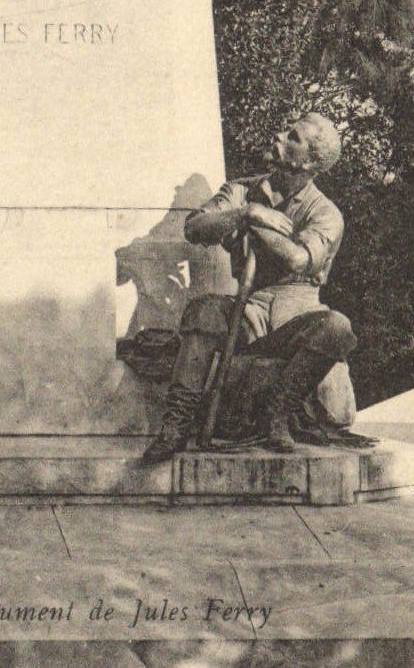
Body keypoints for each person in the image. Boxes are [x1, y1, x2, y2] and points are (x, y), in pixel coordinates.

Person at [142, 114, 366, 459]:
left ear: (308, 161)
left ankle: (277, 413)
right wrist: (246, 213)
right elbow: (195, 227)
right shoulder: (241, 192)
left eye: (292, 137)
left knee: (337, 327)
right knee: (203, 310)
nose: (278, 135)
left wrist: (253, 224)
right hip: (249, 311)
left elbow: (297, 260)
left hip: (298, 317)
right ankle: (176, 424)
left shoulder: (326, 213)